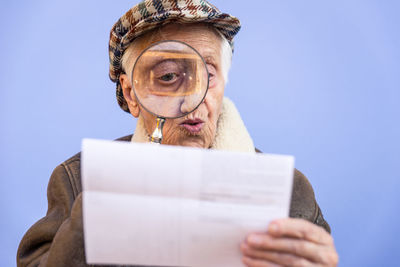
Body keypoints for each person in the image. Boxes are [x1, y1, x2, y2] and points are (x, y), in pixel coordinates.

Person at [17, 0, 338, 266]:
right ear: (132, 95)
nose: (191, 101)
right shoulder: (77, 181)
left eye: (208, 76)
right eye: (168, 76)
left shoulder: (289, 191)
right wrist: (94, 216)